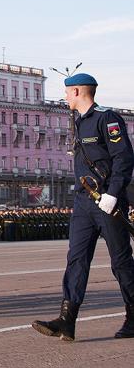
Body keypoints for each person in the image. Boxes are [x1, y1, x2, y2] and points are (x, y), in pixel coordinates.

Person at [32, 73, 134, 340]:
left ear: (77, 91)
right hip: (83, 201)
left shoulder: (106, 119)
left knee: (121, 261)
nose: (65, 97)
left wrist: (114, 193)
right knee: (76, 259)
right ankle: (67, 319)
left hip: (107, 201)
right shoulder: (77, 122)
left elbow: (123, 158)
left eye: (67, 92)